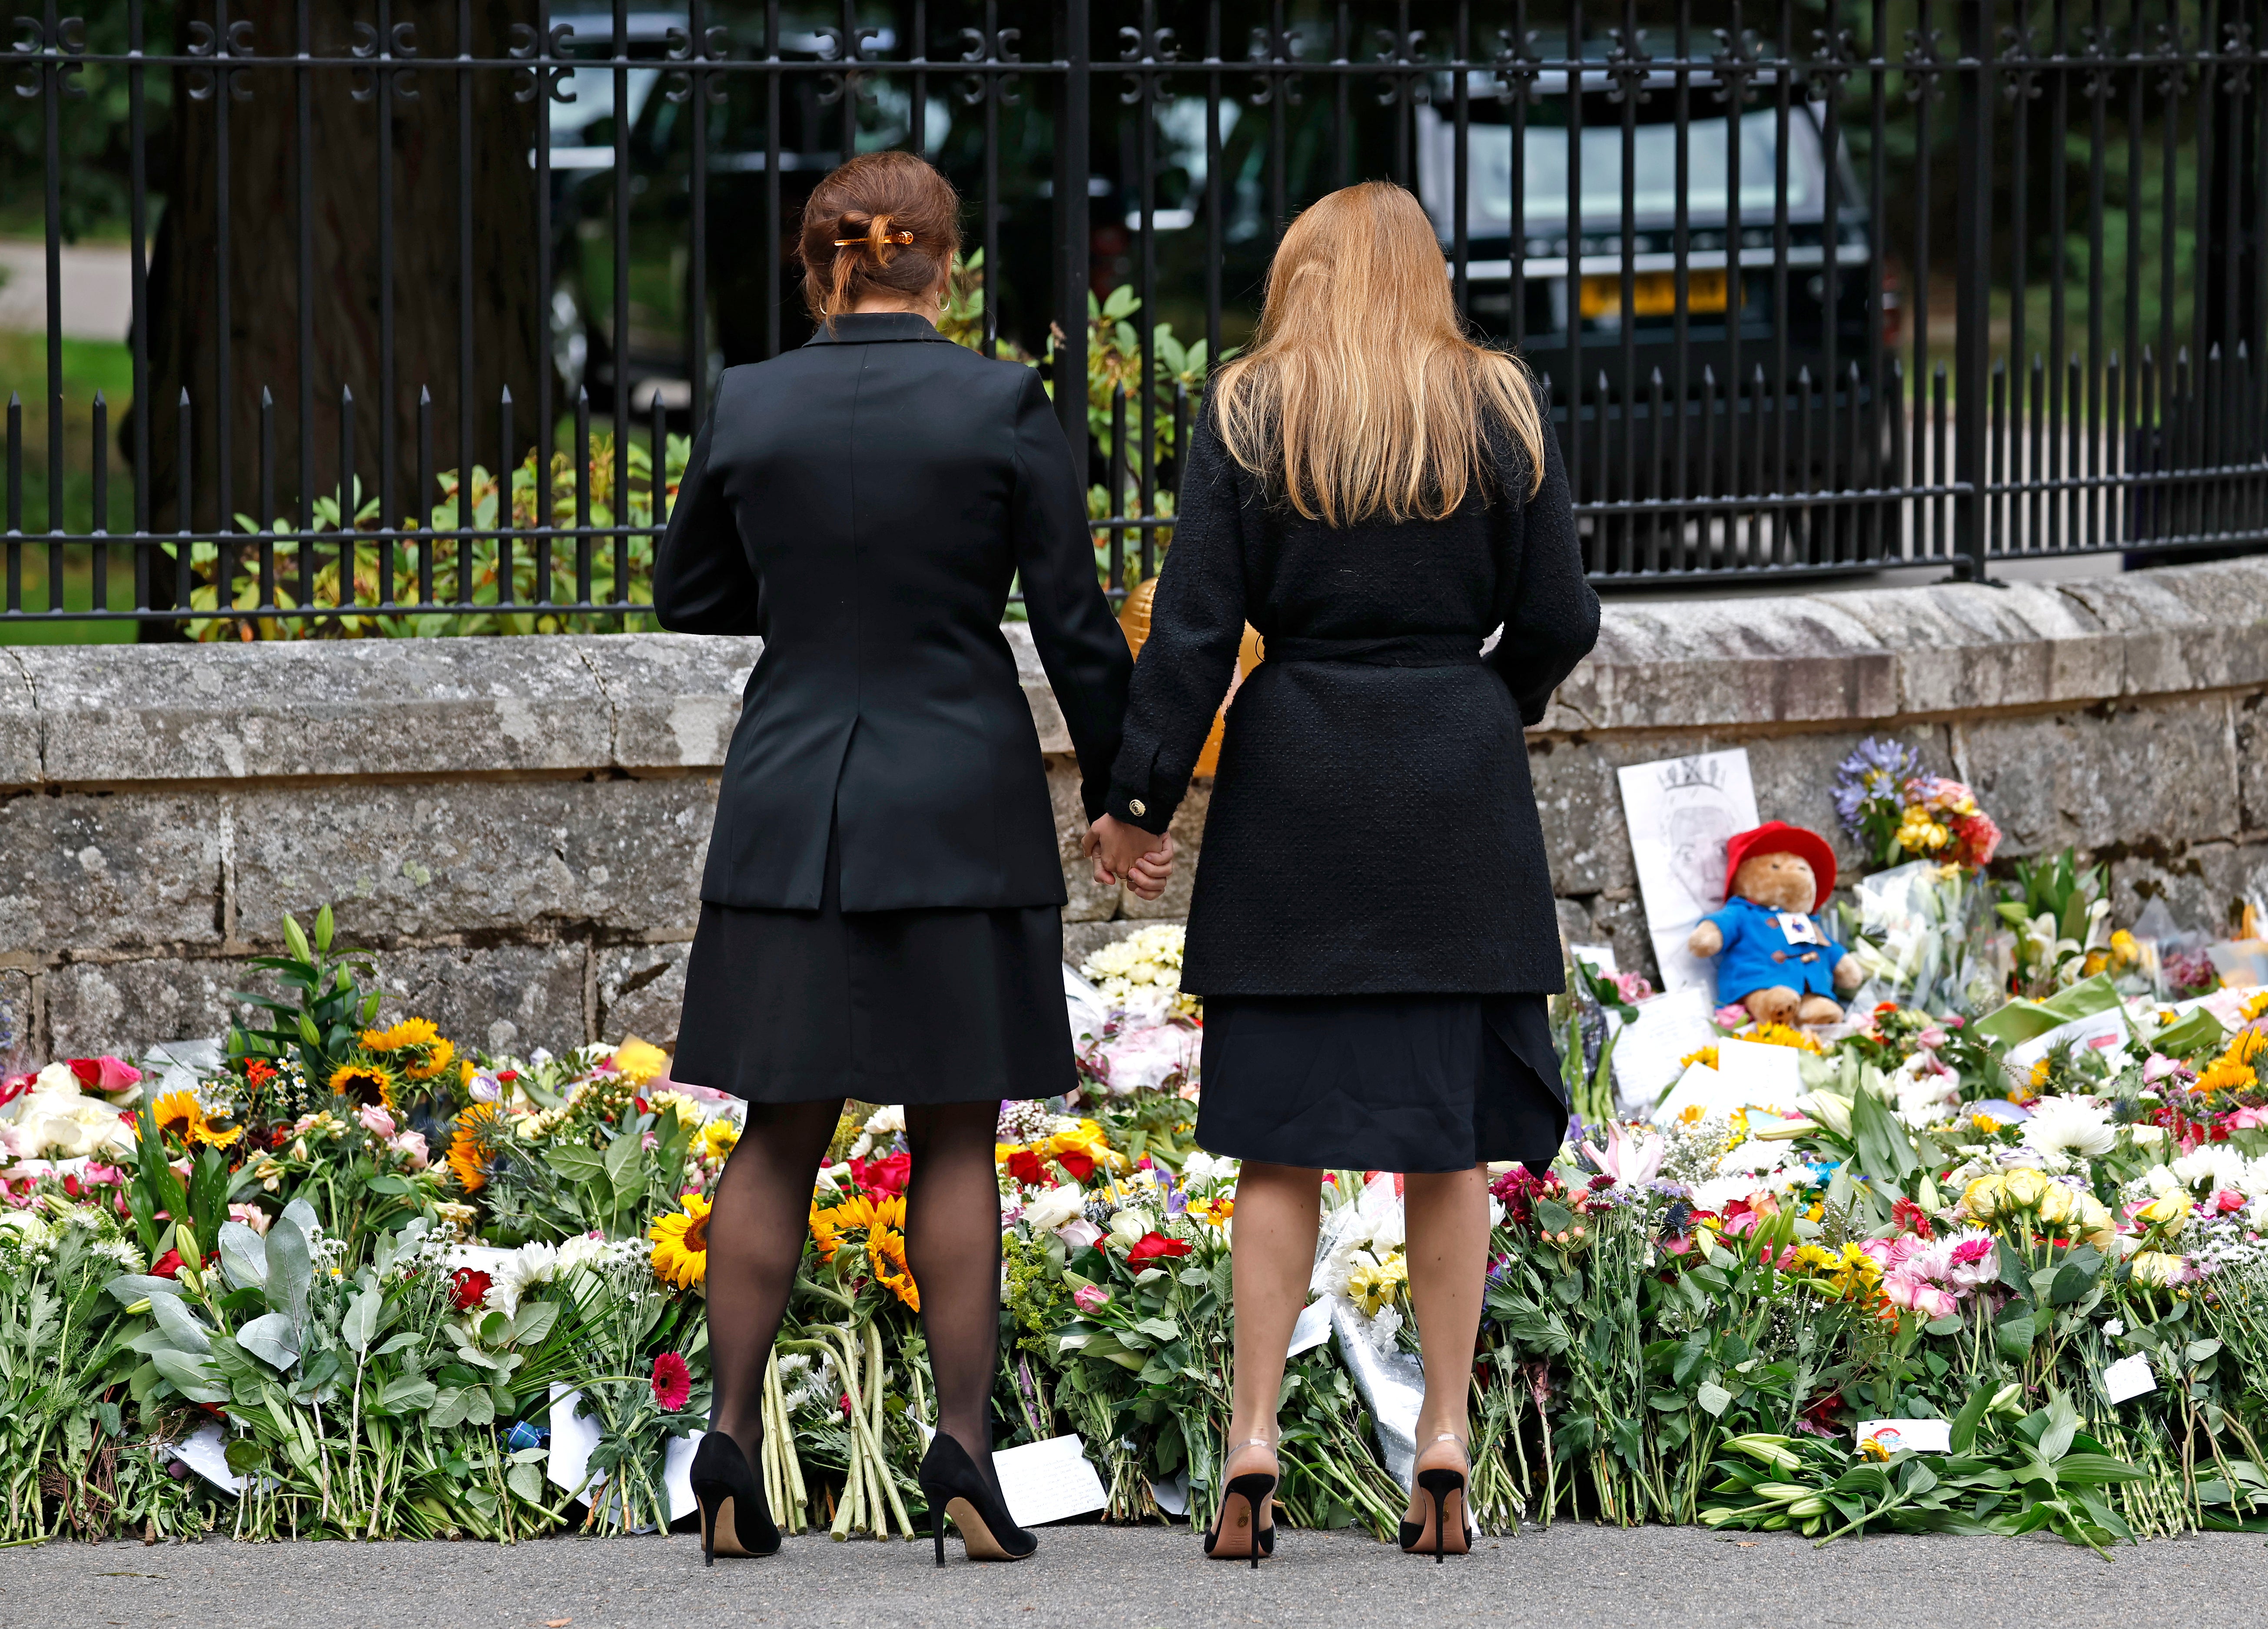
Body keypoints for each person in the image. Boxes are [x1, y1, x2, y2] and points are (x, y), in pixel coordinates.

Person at [652, 149, 1170, 1567]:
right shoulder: (1001, 402)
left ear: (819, 263)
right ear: (944, 265)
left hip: (792, 802)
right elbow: (1073, 624)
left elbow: (690, 591)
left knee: (780, 1125)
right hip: (962, 804)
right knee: (955, 1128)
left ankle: (733, 1447)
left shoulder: (753, 402)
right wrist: (1135, 796)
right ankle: (961, 1450)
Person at [1108, 180, 1601, 1566]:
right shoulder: (1496, 404)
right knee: (1446, 1145)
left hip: (1297, 789)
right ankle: (1442, 1433)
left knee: (1281, 1143)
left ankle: (1253, 1435)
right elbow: (1562, 612)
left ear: (1301, 276)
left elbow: (1196, 630)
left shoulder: (1251, 410)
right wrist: (1481, 703)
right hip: (1455, 786)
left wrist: (1138, 798)